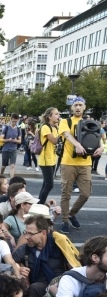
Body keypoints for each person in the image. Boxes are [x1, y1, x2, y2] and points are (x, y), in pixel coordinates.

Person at [12, 212, 79, 297]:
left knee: (36, 288)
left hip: (59, 283)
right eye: (26, 233)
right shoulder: (26, 249)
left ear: (43, 233)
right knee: (30, 287)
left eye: (31, 234)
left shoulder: (58, 246)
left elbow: (74, 266)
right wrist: (19, 268)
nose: (26, 237)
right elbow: (9, 261)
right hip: (36, 285)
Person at [58, 97, 104, 234]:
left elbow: (97, 137)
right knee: (66, 194)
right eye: (76, 105)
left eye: (80, 105)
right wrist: (77, 144)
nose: (78, 107)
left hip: (85, 163)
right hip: (68, 163)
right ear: (72, 107)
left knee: (86, 193)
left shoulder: (90, 122)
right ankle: (65, 220)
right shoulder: (65, 121)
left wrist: (101, 148)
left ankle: (72, 214)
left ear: (84, 107)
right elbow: (66, 135)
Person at [38, 107, 60, 205]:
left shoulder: (55, 127)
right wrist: (63, 133)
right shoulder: (45, 127)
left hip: (52, 158)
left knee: (45, 184)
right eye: (56, 114)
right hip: (45, 159)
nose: (58, 116)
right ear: (49, 117)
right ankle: (40, 205)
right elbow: (54, 140)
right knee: (49, 184)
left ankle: (39, 204)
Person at [0, 113, 21, 178]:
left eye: (16, 121)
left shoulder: (18, 129)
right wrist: (8, 140)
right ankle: (1, 175)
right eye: (13, 121)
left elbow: (20, 141)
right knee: (4, 166)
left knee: (12, 166)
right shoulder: (6, 128)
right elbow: (1, 139)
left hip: (13, 149)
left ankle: (12, 181)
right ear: (11, 119)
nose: (14, 122)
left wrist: (15, 141)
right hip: (6, 149)